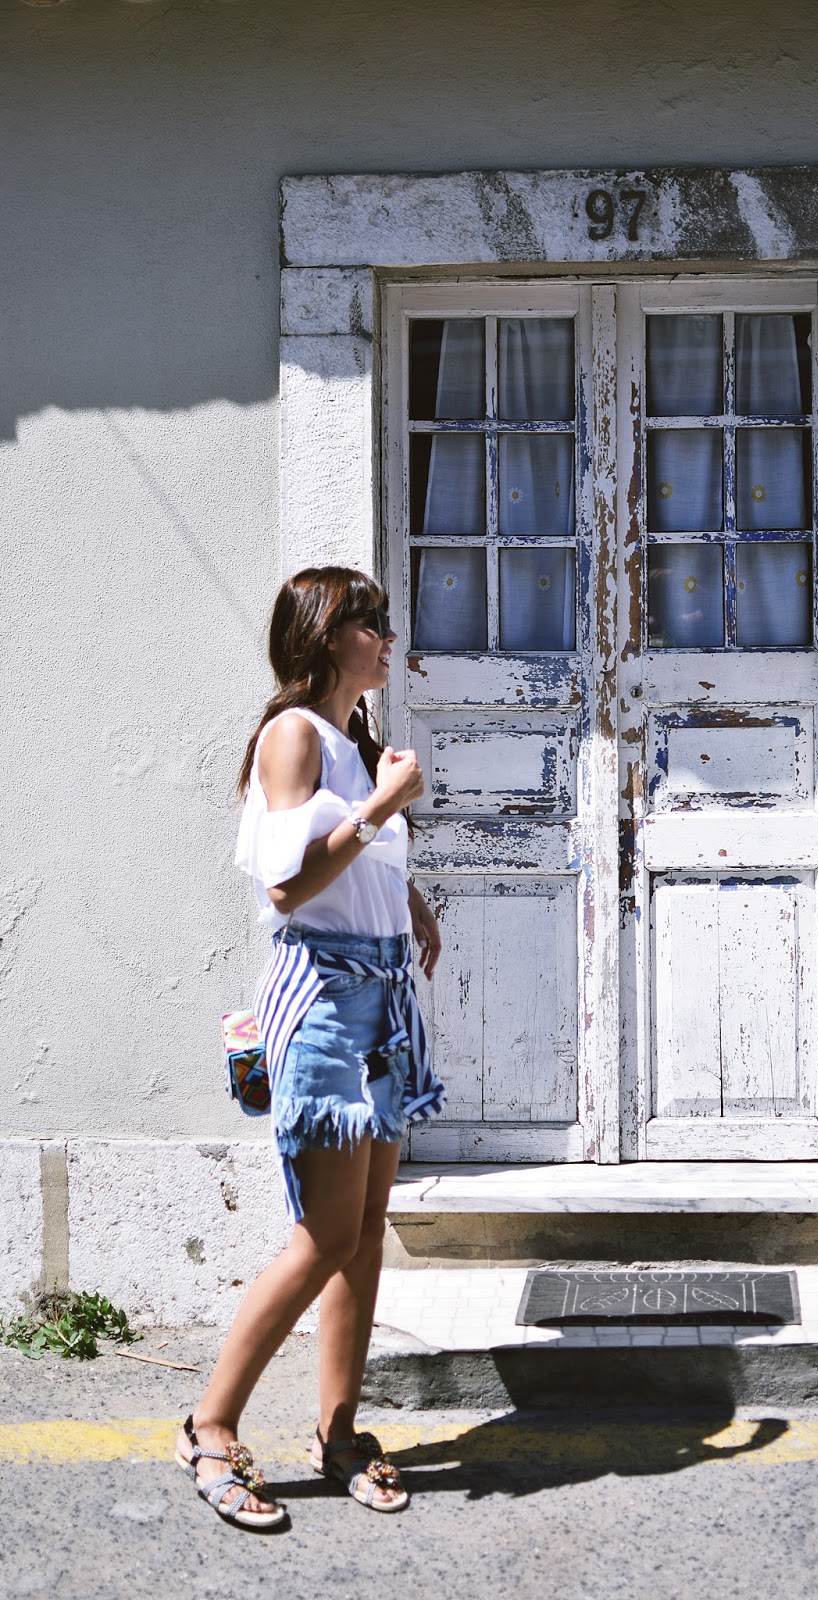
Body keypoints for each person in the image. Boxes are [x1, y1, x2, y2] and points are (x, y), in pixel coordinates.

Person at [175, 566, 445, 1529]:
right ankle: (210, 1426)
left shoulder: (352, 740)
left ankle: (338, 1433)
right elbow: (288, 885)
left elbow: (349, 865)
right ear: (329, 635)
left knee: (365, 1231)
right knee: (324, 1235)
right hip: (325, 1003)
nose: (388, 636)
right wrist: (381, 807)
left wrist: (408, 898)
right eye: (372, 622)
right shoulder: (292, 734)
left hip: (381, 1001)